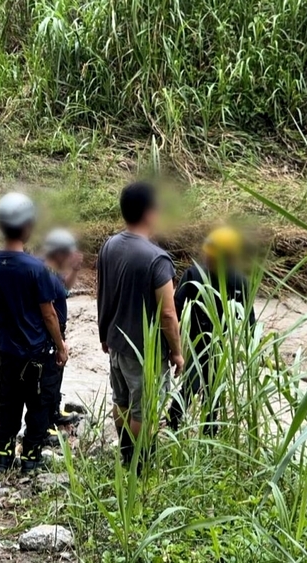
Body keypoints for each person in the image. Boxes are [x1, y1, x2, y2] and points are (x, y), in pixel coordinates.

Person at [0, 193, 68, 474]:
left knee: (9, 401)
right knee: (38, 404)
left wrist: (6, 326)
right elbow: (48, 313)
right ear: (28, 226)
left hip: (7, 350)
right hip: (36, 352)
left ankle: (4, 458)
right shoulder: (37, 269)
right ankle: (30, 458)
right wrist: (60, 345)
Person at [96, 181, 184, 466]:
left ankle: (125, 456)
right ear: (149, 213)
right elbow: (168, 315)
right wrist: (177, 352)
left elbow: (103, 292)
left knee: (121, 401)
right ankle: (140, 466)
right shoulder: (157, 259)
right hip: (144, 352)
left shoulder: (110, 245)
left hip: (117, 344)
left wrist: (103, 333)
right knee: (143, 412)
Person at [168, 226, 255, 433]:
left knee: (212, 391)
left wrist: (251, 349)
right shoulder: (194, 274)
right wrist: (174, 347)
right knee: (192, 385)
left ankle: (208, 430)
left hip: (221, 347)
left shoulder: (239, 281)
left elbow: (248, 319)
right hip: (195, 343)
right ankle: (175, 421)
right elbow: (175, 311)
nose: (207, 258)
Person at [41, 228, 83, 442]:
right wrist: (58, 343)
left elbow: (64, 290)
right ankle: (45, 424)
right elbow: (47, 311)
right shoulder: (44, 270)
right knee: (48, 375)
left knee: (57, 372)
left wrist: (74, 270)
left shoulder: (54, 269)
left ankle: (54, 412)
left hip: (58, 328)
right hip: (50, 330)